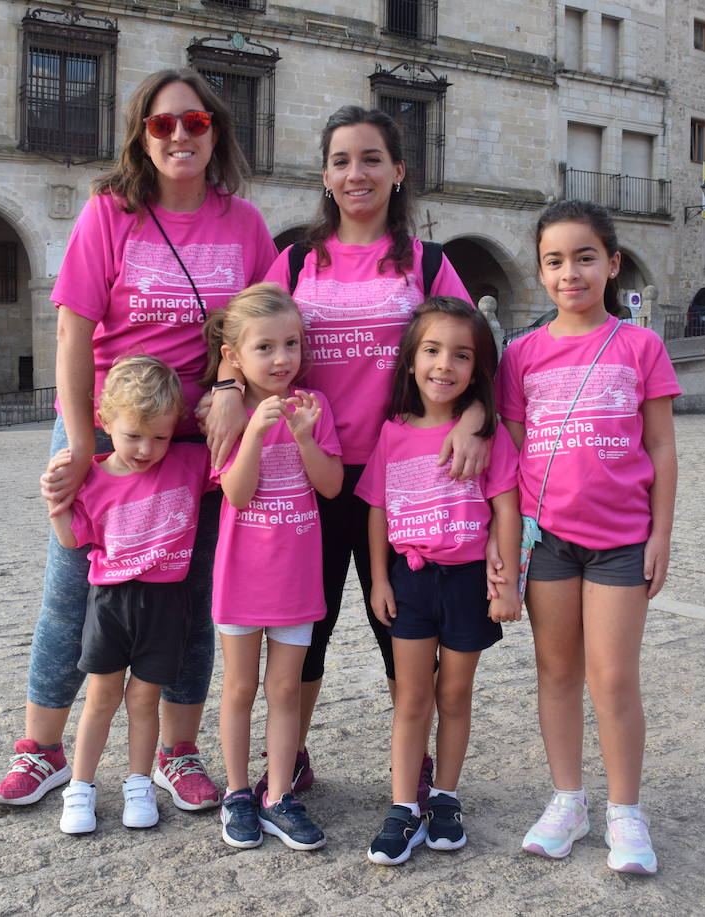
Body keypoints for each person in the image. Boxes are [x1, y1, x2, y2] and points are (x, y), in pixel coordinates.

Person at [0, 68, 276, 815]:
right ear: (141, 136)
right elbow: (73, 331)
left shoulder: (242, 225)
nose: (180, 134)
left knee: (186, 595)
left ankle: (177, 751)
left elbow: (256, 330)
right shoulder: (110, 212)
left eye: (195, 121)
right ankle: (43, 748)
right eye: (162, 124)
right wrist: (82, 442)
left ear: (217, 130)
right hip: (109, 432)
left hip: (197, 442)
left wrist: (230, 391)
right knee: (74, 587)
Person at [259, 105, 490, 801]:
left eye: (369, 159)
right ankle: (290, 753)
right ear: (324, 176)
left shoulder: (428, 261)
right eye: (340, 161)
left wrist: (476, 413)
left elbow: (475, 354)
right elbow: (248, 342)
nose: (355, 173)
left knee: (403, 624)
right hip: (309, 469)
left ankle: (411, 761)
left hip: (407, 473)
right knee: (309, 622)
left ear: (398, 171)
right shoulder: (297, 259)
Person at [497, 200, 679, 875]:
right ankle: (568, 799)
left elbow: (661, 445)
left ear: (612, 263)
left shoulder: (640, 345)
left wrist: (662, 532)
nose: (569, 272)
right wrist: (508, 543)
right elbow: (512, 451)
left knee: (612, 677)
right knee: (556, 672)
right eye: (554, 261)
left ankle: (625, 811)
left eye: (583, 257)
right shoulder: (522, 354)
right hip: (549, 542)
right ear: (540, 271)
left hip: (622, 539)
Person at [357, 297, 522, 866]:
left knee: (454, 694)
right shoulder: (392, 433)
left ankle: (446, 797)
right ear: (410, 360)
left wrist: (507, 581)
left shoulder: (486, 437)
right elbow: (376, 510)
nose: (443, 365)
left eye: (460, 355)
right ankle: (403, 806)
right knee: (412, 698)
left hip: (469, 583)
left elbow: (505, 507)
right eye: (431, 350)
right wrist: (380, 578)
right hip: (412, 583)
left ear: (477, 370)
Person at [202, 283, 343, 850]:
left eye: (291, 344)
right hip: (241, 574)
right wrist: (255, 433)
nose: (282, 359)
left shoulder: (314, 406)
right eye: (265, 347)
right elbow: (236, 495)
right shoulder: (230, 414)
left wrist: (305, 438)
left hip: (297, 575)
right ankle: (238, 791)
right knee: (239, 687)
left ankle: (278, 793)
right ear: (234, 356)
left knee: (285, 688)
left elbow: (331, 485)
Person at [46, 357, 212, 834]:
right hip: (110, 602)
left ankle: (139, 782)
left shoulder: (188, 462)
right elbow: (72, 539)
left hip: (166, 604)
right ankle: (81, 786)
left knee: (144, 698)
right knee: (101, 696)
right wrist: (54, 502)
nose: (147, 448)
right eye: (135, 435)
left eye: (160, 437)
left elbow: (234, 461)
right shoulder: (92, 476)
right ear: (105, 422)